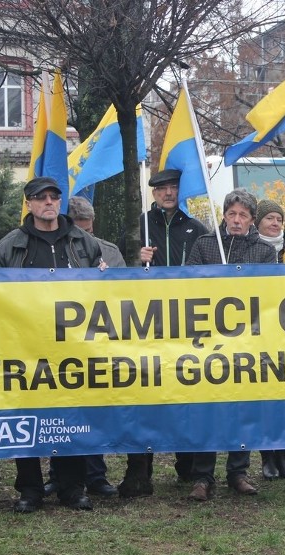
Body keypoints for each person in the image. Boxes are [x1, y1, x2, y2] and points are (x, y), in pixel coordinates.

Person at [0, 176, 105, 512]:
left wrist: (105, 276)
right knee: (26, 415)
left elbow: (104, 289)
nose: (49, 202)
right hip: (25, 347)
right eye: (41, 198)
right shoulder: (10, 245)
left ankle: (72, 488)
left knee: (73, 414)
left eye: (54, 197)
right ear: (29, 203)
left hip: (74, 347)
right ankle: (30, 489)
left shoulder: (82, 241)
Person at [121, 168, 208, 498]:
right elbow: (114, 273)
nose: (168, 194)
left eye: (173, 188)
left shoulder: (196, 228)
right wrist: (135, 259)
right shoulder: (139, 227)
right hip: (148, 326)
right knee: (146, 394)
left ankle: (187, 464)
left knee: (187, 392)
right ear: (153, 193)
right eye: (162, 189)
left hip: (186, 326)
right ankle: (141, 468)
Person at [185, 189, 276, 501]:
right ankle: (201, 476)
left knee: (242, 405)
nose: (236, 221)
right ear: (224, 215)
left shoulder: (264, 251)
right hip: (207, 340)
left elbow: (268, 293)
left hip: (246, 340)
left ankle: (238, 471)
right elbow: (188, 284)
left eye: (243, 216)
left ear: (252, 220)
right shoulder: (204, 244)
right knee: (206, 406)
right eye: (232, 214)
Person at [39, 195, 120, 498]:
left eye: (88, 229)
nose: (84, 236)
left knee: (94, 411)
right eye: (79, 230)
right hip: (56, 343)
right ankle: (59, 476)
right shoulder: (49, 248)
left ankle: (96, 475)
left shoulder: (108, 251)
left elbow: (126, 295)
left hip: (97, 342)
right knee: (60, 412)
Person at [254, 199, 285, 480]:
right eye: (269, 218)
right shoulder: (251, 248)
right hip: (259, 331)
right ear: (258, 221)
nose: (275, 223)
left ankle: (283, 456)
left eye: (278, 219)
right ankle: (266, 457)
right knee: (264, 397)